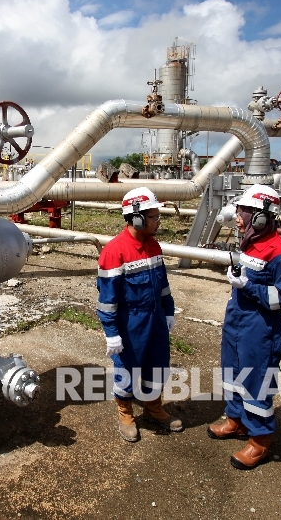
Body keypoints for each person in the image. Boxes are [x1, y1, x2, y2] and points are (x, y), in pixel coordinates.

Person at [207, 184, 281, 469]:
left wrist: (247, 286)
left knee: (256, 380)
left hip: (260, 328)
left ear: (261, 217)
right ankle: (236, 420)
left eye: (243, 212)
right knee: (232, 373)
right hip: (238, 320)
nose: (237, 218)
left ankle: (260, 440)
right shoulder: (251, 243)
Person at [96, 187, 182, 442]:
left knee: (158, 366)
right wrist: (112, 334)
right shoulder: (114, 252)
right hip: (130, 322)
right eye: (154, 216)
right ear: (137, 218)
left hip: (155, 319)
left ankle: (154, 407)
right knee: (127, 370)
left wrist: (168, 311)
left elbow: (163, 285)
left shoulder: (154, 246)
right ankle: (125, 413)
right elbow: (107, 302)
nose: (158, 221)